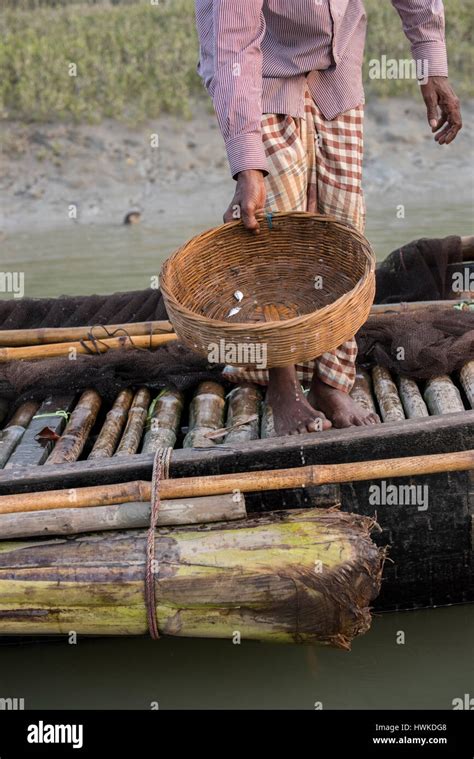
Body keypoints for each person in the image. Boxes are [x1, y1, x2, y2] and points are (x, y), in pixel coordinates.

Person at [194, 0, 462, 435]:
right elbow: (231, 48)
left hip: (337, 77)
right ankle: (282, 380)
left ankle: (328, 379)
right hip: (263, 76)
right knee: (276, 228)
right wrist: (247, 165)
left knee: (343, 228)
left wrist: (431, 63)